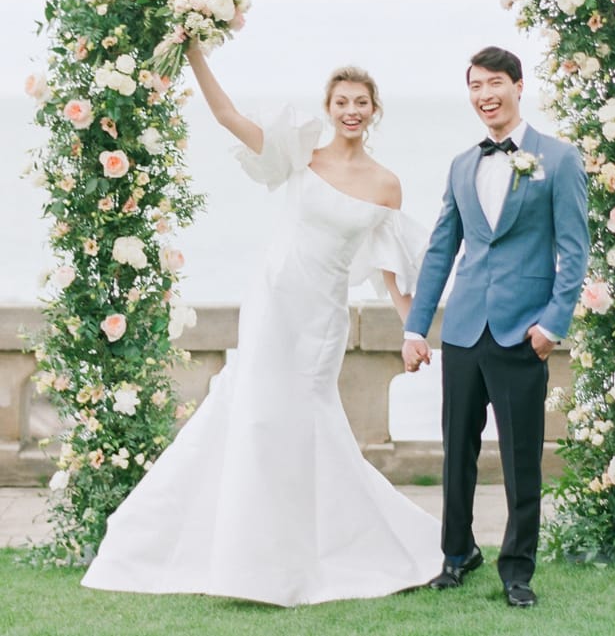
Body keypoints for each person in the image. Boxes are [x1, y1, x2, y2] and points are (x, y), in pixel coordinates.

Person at [82, 45, 441, 606]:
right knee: (254, 419)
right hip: (275, 302)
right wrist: (196, 53)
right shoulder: (302, 156)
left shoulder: (386, 185)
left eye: (361, 102)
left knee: (307, 424)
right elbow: (228, 117)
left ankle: (319, 552)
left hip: (322, 319)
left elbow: (393, 273)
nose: (351, 109)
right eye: (342, 100)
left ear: (374, 111)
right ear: (328, 106)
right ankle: (240, 556)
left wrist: (411, 331)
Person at [402, 46, 589, 608]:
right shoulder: (462, 164)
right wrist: (416, 328)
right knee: (456, 452)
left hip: (521, 334)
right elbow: (441, 251)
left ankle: (517, 571)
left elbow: (574, 253)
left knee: (520, 458)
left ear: (518, 85)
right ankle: (457, 555)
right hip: (462, 331)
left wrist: (551, 326)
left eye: (495, 83)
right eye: (475, 86)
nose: (485, 95)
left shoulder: (558, 160)